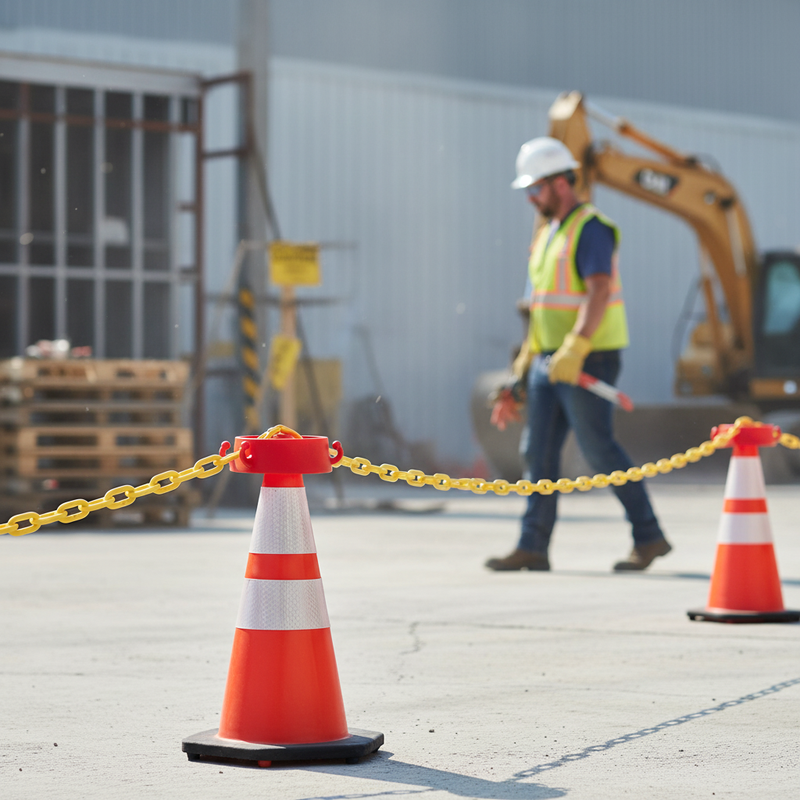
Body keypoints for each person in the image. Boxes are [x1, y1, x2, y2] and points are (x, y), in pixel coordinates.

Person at [486, 137, 671, 572]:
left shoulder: (591, 228)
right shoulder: (548, 234)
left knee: (599, 449)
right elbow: (541, 309)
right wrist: (521, 372)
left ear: (560, 183)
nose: (531, 198)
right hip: (549, 359)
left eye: (536, 189)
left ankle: (649, 537)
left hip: (588, 358)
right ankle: (533, 545)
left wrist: (576, 348)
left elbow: (599, 290)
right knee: (538, 453)